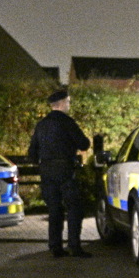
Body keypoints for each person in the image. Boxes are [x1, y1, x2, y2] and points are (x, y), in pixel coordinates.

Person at [28, 88, 92, 257]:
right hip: (65, 170)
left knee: (54, 209)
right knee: (74, 208)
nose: (69, 105)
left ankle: (55, 246)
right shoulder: (67, 123)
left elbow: (32, 153)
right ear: (62, 103)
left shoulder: (41, 125)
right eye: (68, 102)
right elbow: (84, 144)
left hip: (47, 172)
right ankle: (74, 246)